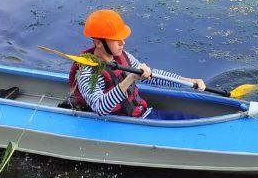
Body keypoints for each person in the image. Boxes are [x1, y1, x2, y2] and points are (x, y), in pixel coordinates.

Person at [67, 9, 205, 119]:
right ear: (98, 42)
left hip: (141, 114)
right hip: (121, 125)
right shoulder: (87, 72)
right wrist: (131, 77)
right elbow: (100, 107)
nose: (123, 43)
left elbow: (153, 75)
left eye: (122, 38)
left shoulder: (123, 56)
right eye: (117, 40)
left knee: (190, 118)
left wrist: (188, 82)